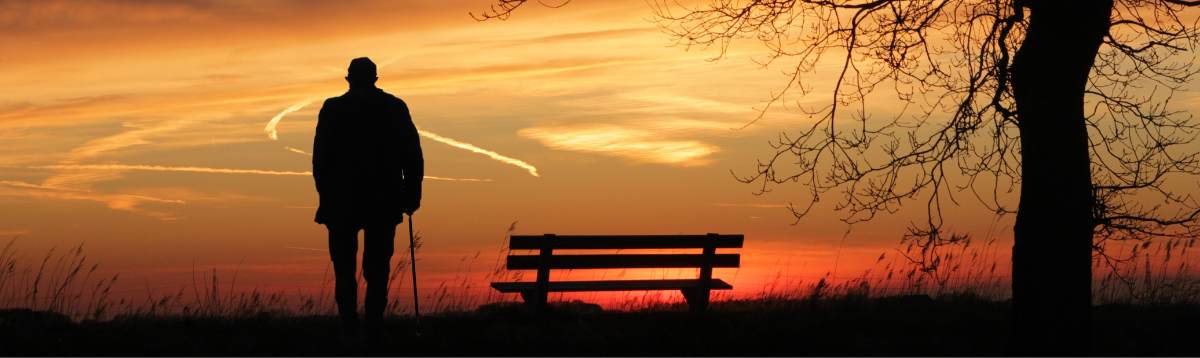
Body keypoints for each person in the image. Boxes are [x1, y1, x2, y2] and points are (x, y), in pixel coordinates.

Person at [312, 57, 423, 342]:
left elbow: (320, 159)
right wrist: (412, 194)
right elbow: (412, 155)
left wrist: (326, 195)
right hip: (383, 201)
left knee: (344, 268)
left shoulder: (333, 108)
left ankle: (349, 326)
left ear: (349, 79)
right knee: (378, 268)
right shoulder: (394, 107)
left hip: (341, 202)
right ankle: (374, 325)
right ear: (374, 78)